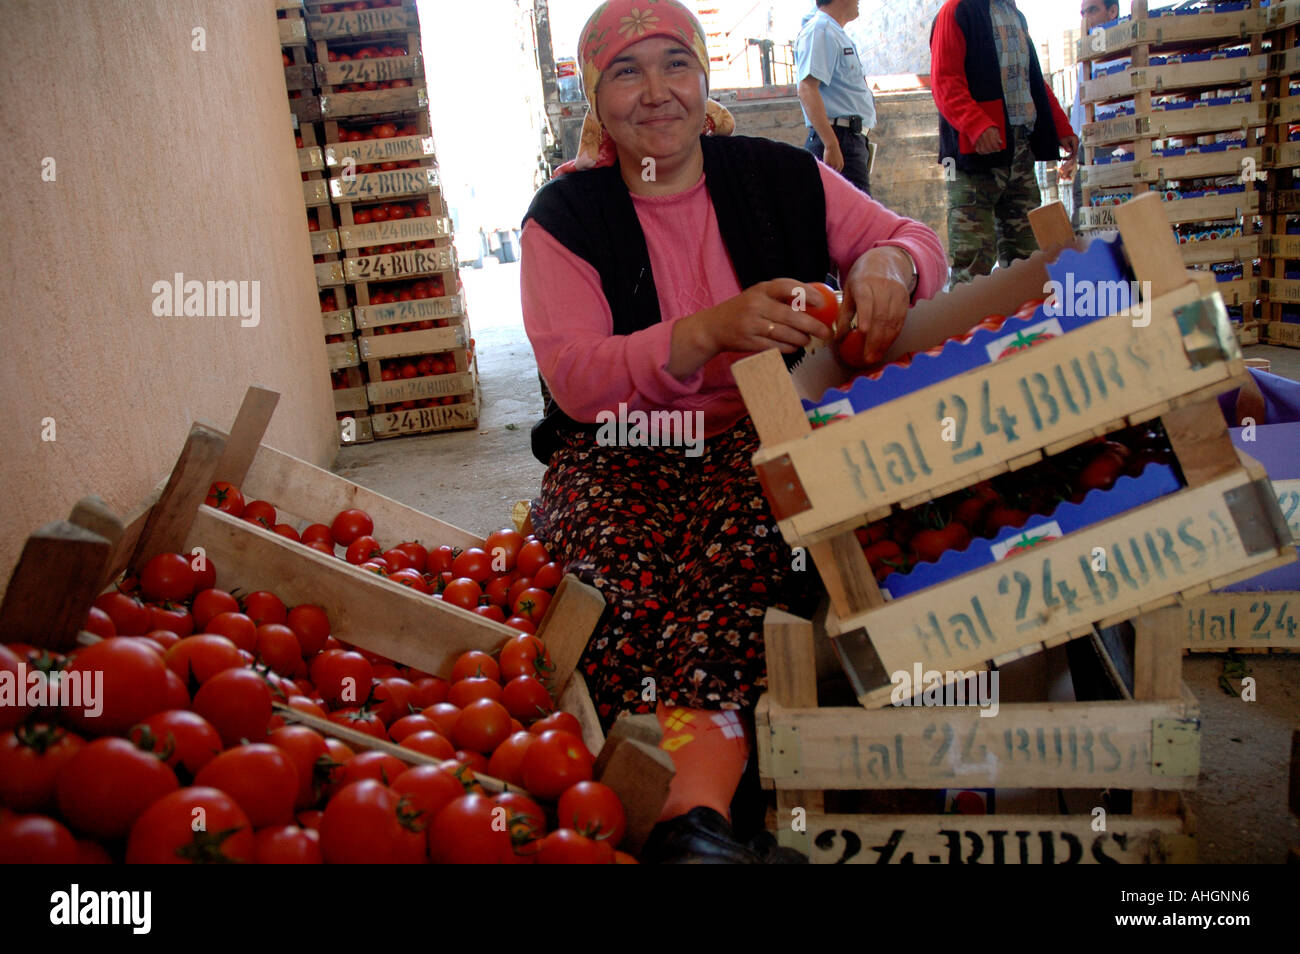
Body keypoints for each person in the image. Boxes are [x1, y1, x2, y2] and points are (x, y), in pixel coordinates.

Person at [519, 0, 946, 863]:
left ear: (704, 78)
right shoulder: (564, 217)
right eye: (626, 73)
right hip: (616, 447)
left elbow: (910, 239)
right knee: (610, 573)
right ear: (595, 98)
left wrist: (885, 265)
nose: (655, 93)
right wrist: (707, 331)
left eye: (675, 63)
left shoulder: (779, 176)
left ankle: (695, 819)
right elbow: (575, 375)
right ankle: (643, 801)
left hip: (757, 435)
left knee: (747, 553)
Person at [931, 0, 1080, 285]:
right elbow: (944, 81)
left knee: (1027, 254)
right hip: (969, 157)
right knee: (973, 259)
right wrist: (976, 125)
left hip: (1019, 149)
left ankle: (1027, 324)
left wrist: (1060, 125)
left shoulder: (1014, 16)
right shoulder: (956, 10)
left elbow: (1030, 79)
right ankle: (968, 329)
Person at [794, 0, 875, 194]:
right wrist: (831, 143)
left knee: (853, 219)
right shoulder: (820, 31)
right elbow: (807, 88)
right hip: (838, 138)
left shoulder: (834, 33)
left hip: (847, 140)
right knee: (860, 220)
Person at [1065, 0, 1121, 227]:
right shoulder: (1087, 53)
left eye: (1092, 10)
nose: (1086, 18)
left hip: (1112, 148)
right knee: (1082, 225)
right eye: (1082, 13)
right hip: (1087, 151)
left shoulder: (1123, 50)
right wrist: (1073, 152)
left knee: (1111, 225)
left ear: (1113, 11)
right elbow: (1081, 104)